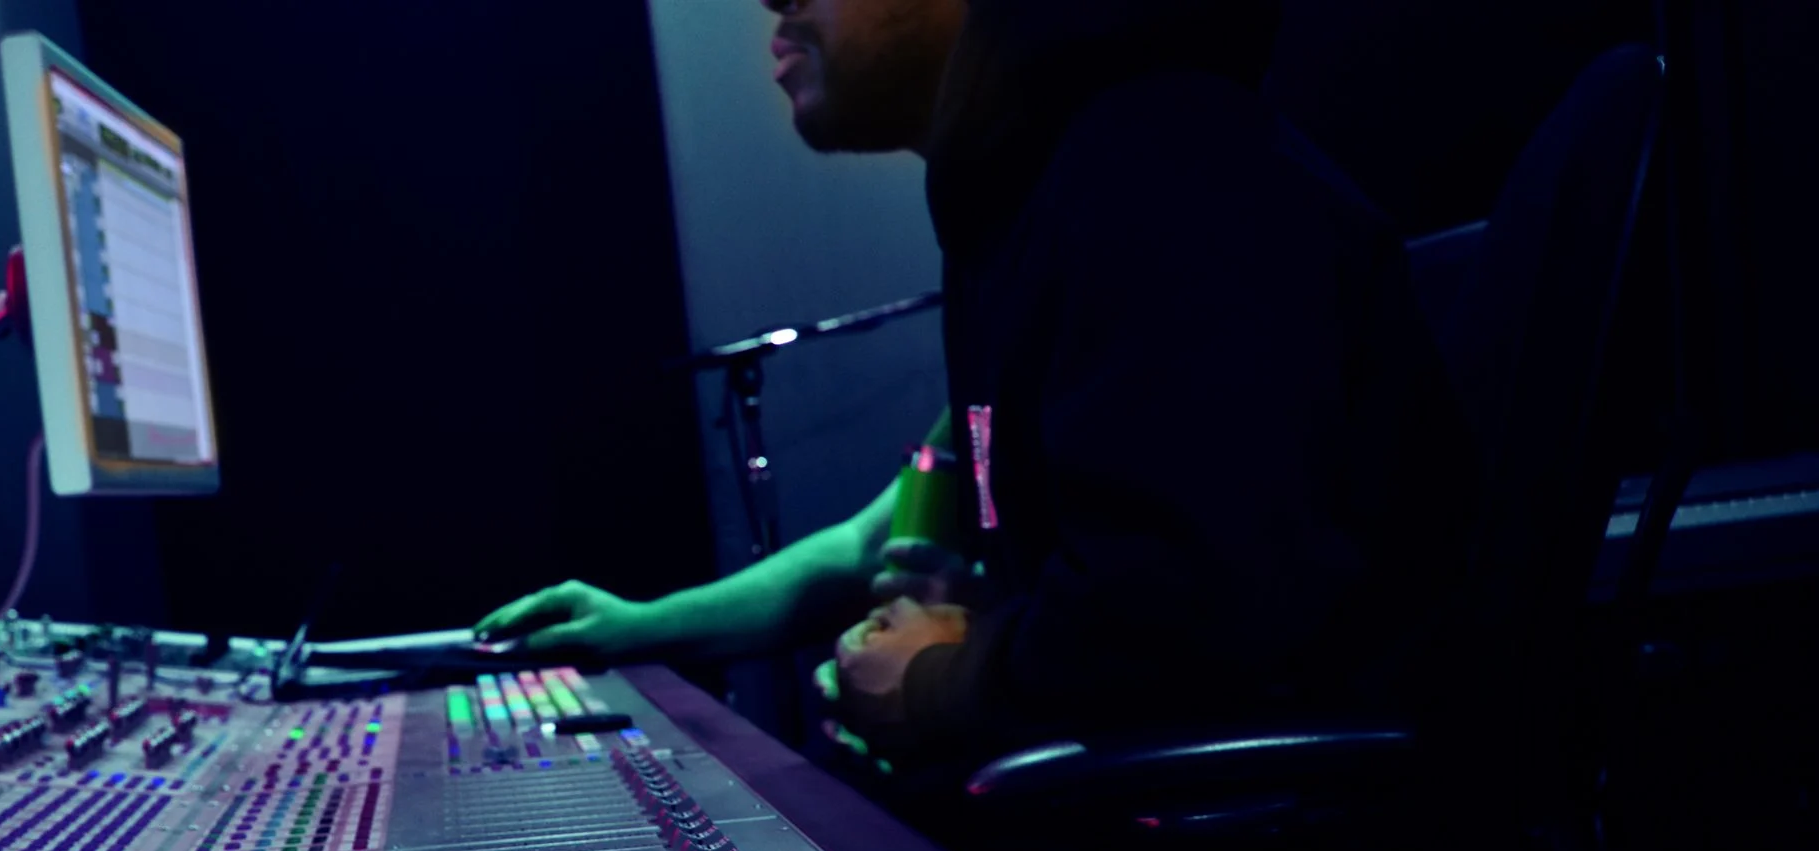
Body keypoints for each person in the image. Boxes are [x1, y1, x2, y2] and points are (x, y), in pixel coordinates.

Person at [474, 0, 1469, 774]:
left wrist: (939, 681)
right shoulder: (1028, 204)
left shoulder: (1163, 170)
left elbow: (1196, 613)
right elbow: (896, 522)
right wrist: (642, 625)